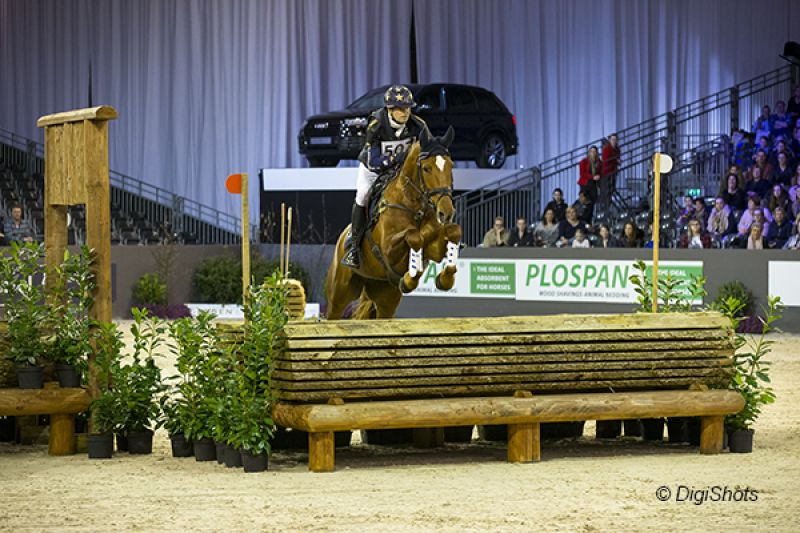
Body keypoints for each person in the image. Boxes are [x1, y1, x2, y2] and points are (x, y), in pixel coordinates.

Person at [343, 84, 428, 268]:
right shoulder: (376, 124)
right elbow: (373, 160)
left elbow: (428, 151)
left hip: (401, 171)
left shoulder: (418, 125)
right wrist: (395, 158)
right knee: (363, 196)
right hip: (373, 169)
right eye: (400, 108)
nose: (405, 112)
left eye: (408, 108)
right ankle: (354, 247)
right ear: (390, 109)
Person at [600, 133, 620, 208]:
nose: (614, 141)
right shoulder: (607, 149)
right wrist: (616, 161)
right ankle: (605, 206)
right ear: (609, 140)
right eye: (612, 139)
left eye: (615, 139)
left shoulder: (617, 149)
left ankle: (608, 205)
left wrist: (617, 161)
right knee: (606, 190)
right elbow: (606, 160)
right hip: (606, 172)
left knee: (611, 189)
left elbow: (616, 158)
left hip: (613, 171)